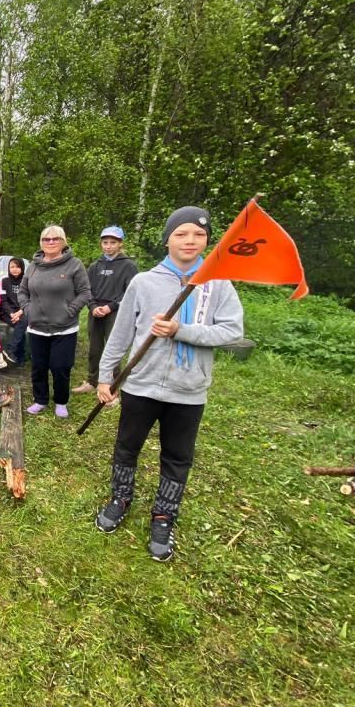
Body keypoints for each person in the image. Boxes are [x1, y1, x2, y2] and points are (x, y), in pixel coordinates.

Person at [94, 206, 243, 562]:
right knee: (127, 446)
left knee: (177, 457)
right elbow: (121, 333)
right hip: (141, 385)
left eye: (198, 235)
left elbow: (232, 331)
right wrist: (105, 376)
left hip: (188, 391)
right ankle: (120, 498)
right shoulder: (143, 282)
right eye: (181, 233)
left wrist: (183, 330)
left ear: (207, 240)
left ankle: (164, 516)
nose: (190, 241)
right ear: (168, 239)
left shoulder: (216, 284)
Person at [17, 225, 91, 419]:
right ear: (41, 243)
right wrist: (27, 309)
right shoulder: (33, 266)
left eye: (55, 239)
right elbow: (23, 291)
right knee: (38, 366)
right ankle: (40, 400)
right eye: (46, 239)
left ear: (63, 241)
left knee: (60, 367)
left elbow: (85, 292)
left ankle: (61, 401)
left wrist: (71, 310)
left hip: (64, 328)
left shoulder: (74, 264)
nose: (50, 242)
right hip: (37, 328)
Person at [73, 226, 139, 401]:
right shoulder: (95, 266)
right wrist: (93, 306)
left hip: (116, 311)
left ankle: (113, 386)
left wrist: (111, 306)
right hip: (95, 310)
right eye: (105, 242)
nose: (108, 246)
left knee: (113, 347)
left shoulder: (128, 265)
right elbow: (86, 289)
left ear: (120, 244)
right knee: (95, 348)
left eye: (113, 242)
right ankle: (92, 381)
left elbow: (131, 292)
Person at [0, 257, 27, 366]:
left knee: (22, 322)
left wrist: (20, 312)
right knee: (21, 324)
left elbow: (29, 299)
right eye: (12, 267)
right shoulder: (4, 280)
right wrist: (11, 313)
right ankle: (19, 356)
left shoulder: (26, 280)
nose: (15, 269)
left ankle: (11, 351)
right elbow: (3, 300)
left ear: (22, 268)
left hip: (22, 310)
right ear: (9, 268)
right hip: (7, 311)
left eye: (18, 267)